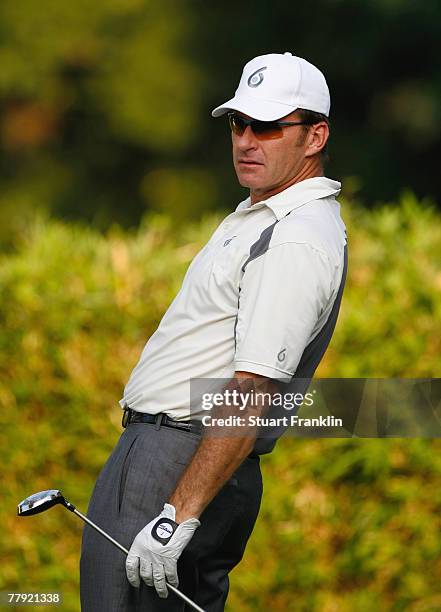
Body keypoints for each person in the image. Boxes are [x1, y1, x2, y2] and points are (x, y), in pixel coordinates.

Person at [80, 52, 348, 611]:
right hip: (171, 456)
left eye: (270, 127)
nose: (247, 140)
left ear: (315, 135)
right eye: (239, 123)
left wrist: (177, 516)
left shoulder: (294, 234)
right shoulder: (260, 216)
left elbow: (253, 392)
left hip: (180, 465)